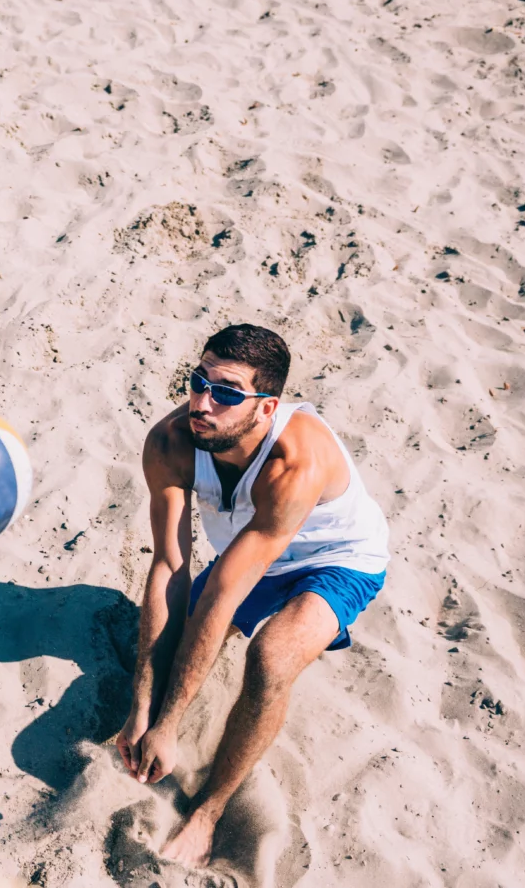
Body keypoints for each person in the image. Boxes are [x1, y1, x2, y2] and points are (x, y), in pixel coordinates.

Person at [116, 324, 389, 867]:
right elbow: (170, 563)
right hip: (251, 550)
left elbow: (221, 594)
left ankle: (209, 811)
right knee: (172, 653)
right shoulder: (170, 441)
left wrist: (169, 727)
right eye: (199, 381)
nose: (202, 402)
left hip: (336, 559)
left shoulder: (294, 459)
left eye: (227, 393)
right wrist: (142, 710)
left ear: (266, 408)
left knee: (269, 659)